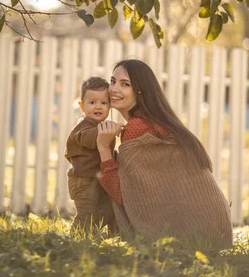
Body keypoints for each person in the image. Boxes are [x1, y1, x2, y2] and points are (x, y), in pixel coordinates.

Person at [96, 60, 233, 249]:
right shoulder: (156, 122)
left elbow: (123, 195)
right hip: (217, 229)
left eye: (125, 84)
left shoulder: (137, 127)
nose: (114, 89)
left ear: (140, 91)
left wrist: (104, 148)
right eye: (112, 81)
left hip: (196, 232)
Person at [64, 76, 117, 234]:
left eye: (103, 102)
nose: (98, 107)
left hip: (95, 179)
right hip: (82, 181)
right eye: (92, 102)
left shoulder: (100, 126)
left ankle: (101, 233)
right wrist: (109, 130)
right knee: (86, 214)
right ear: (82, 106)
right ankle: (75, 237)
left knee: (106, 209)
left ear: (110, 105)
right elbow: (89, 139)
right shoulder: (84, 126)